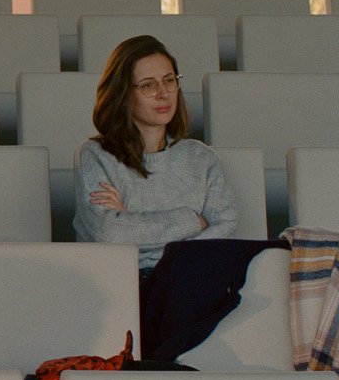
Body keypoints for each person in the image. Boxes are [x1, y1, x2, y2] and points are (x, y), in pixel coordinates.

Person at [73, 34, 238, 269]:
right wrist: (192, 221)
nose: (163, 93)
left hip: (193, 282)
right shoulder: (95, 156)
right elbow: (110, 232)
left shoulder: (201, 157)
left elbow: (226, 229)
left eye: (169, 80)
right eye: (148, 85)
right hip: (125, 287)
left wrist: (131, 222)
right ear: (123, 95)